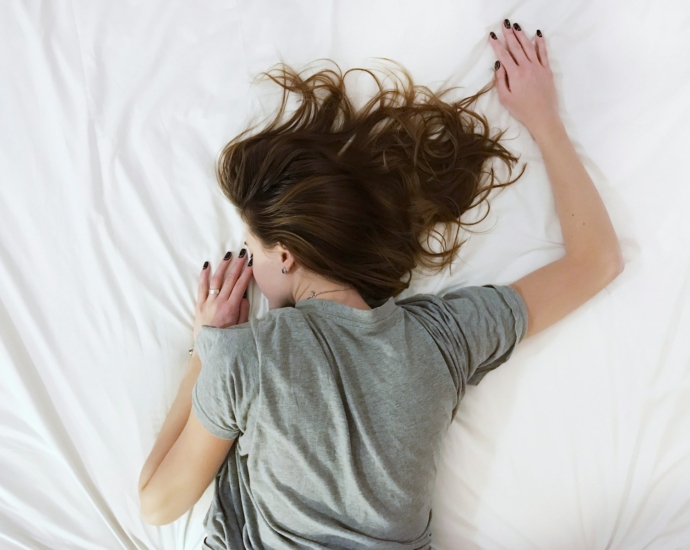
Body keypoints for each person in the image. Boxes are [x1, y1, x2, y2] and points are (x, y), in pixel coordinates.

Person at [139, 19, 623, 549]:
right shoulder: (442, 339)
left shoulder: (244, 357)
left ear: (286, 254)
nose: (249, 266)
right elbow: (596, 261)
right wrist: (544, 121)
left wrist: (204, 347)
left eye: (252, 250)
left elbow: (157, 503)